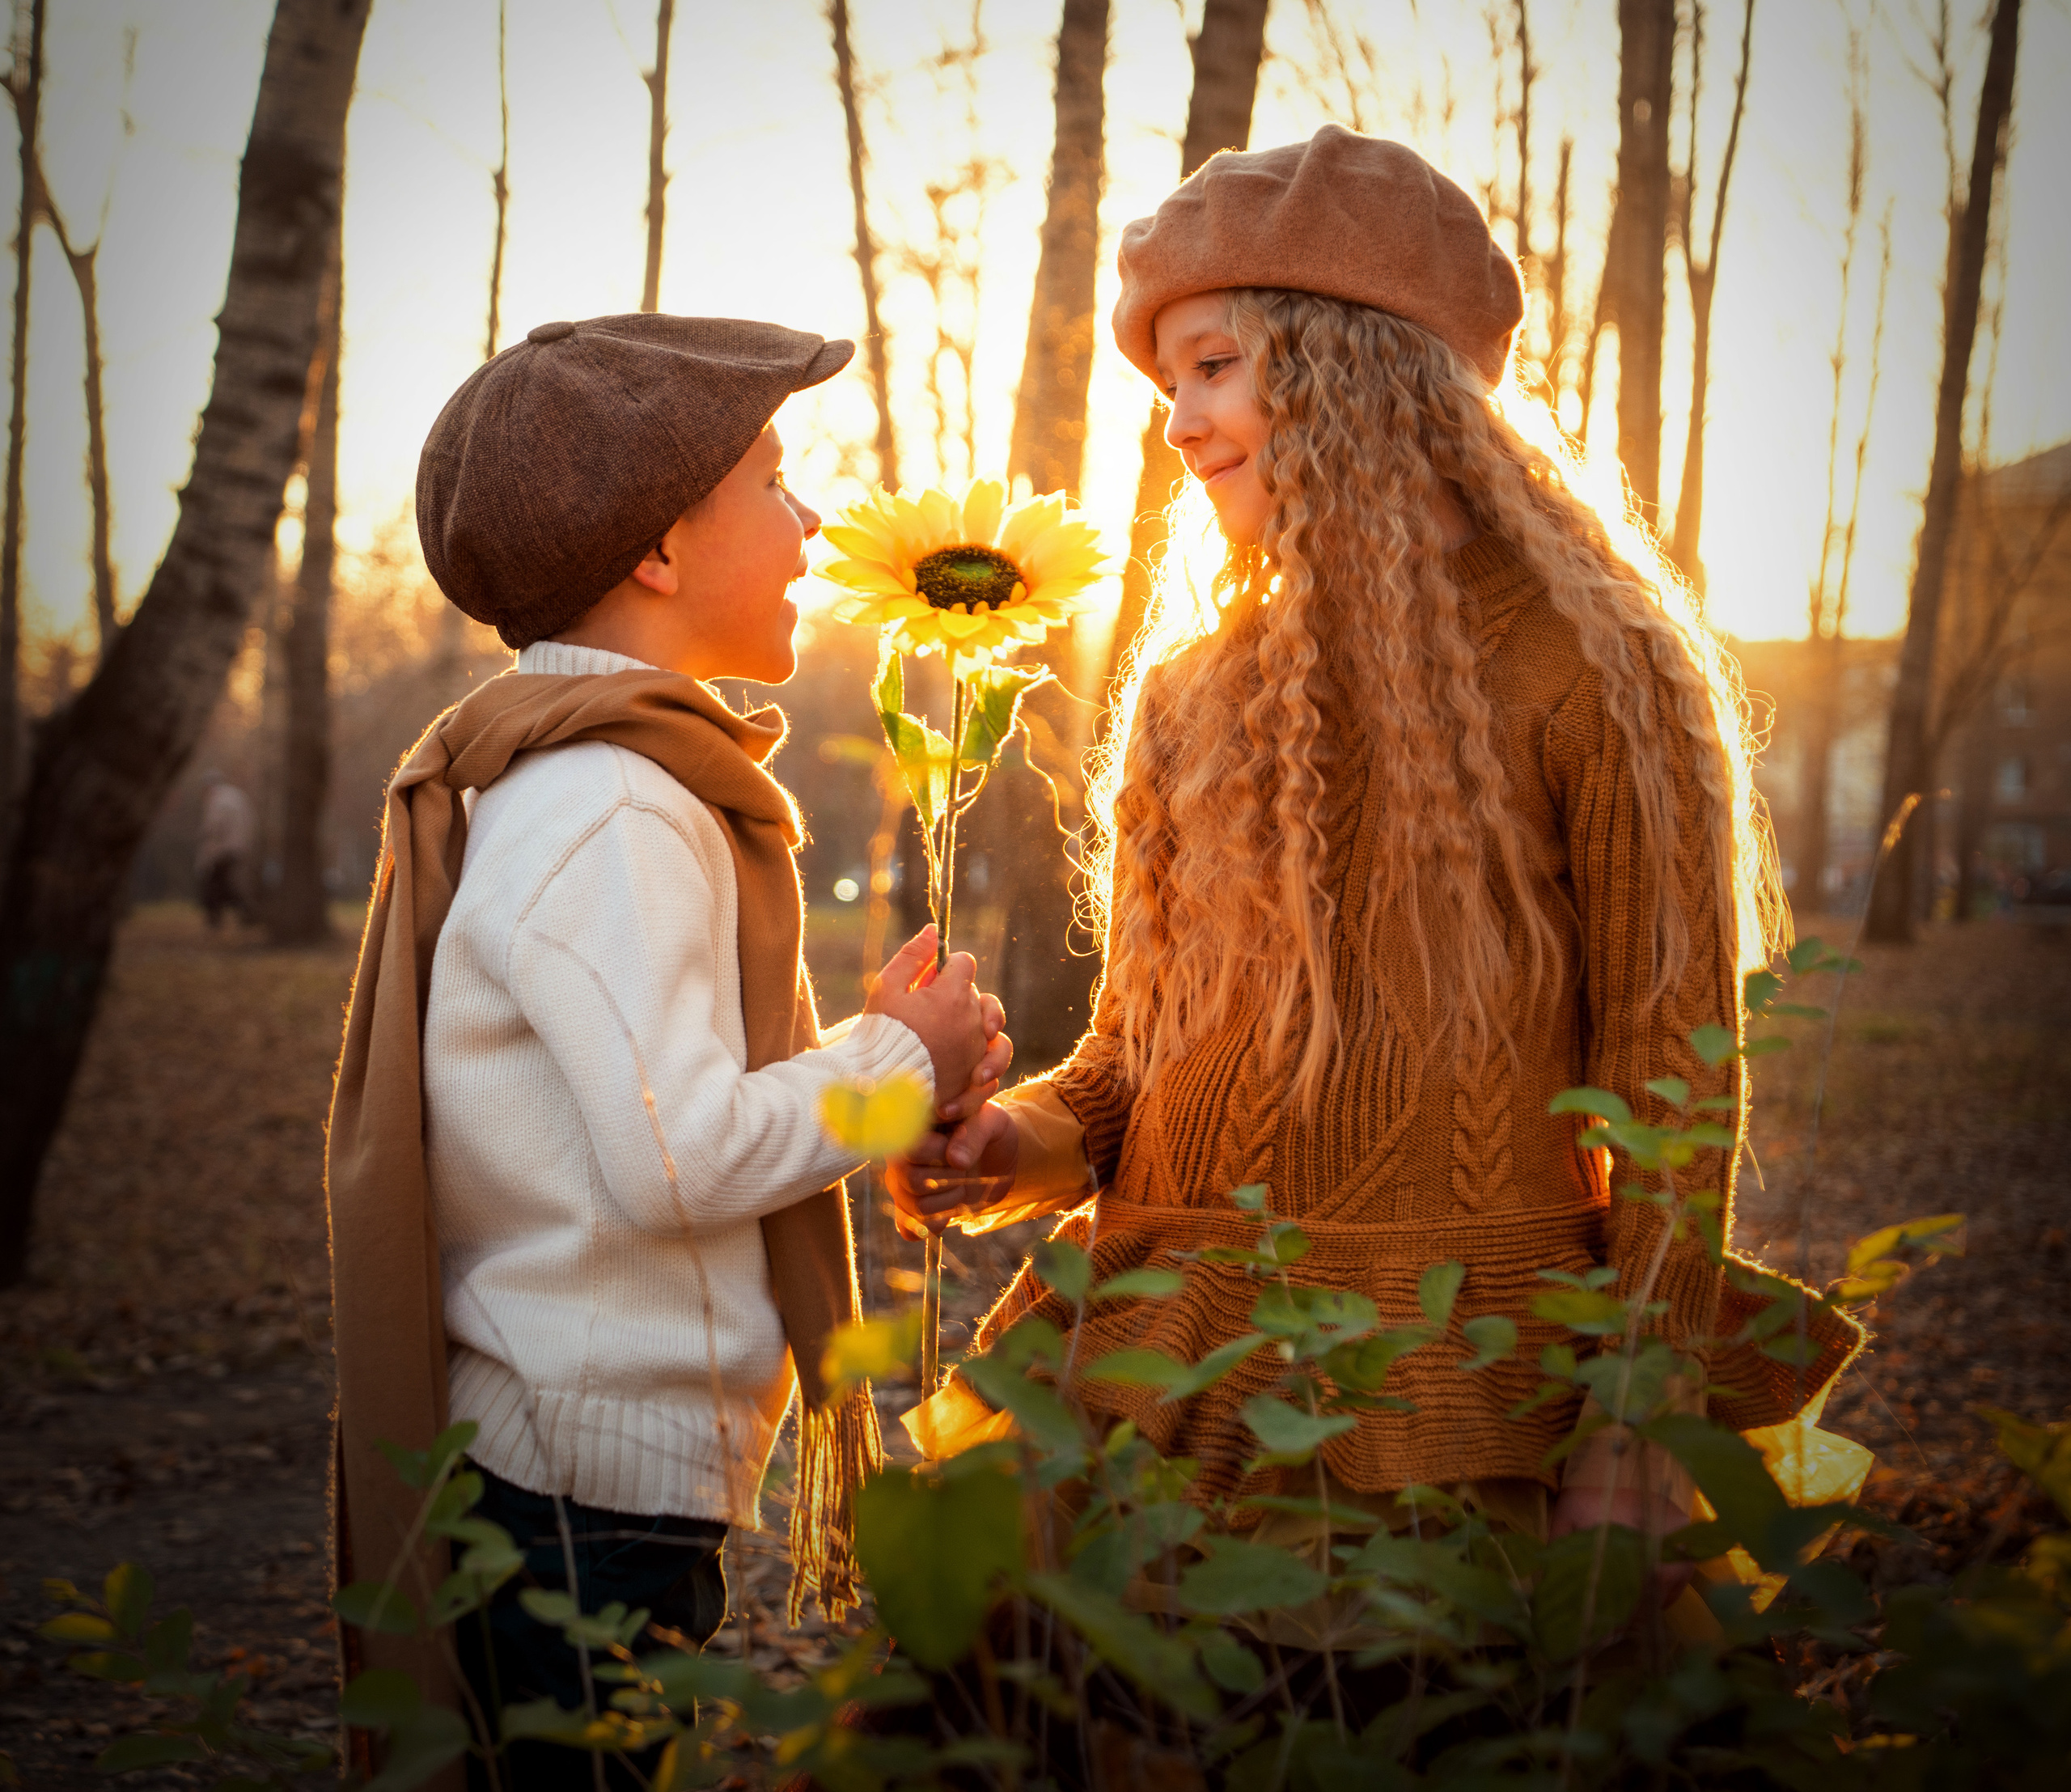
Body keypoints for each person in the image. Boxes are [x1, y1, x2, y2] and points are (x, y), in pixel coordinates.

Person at [893, 129, 1859, 1588]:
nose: (1178, 426)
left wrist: (1637, 1418)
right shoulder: (1191, 695)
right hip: (1150, 1384)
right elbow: (1130, 1069)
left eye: (1214, 366)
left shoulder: (1593, 666)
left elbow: (1675, 1071)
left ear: (1359, 365)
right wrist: (999, 1145)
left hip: (1448, 1393)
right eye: (1168, 386)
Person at [324, 314, 1009, 1790]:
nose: (813, 514)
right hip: (583, 1497)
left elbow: (647, 1093)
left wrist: (881, 1043)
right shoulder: (615, 810)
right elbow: (679, 1151)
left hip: (579, 1474)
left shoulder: (597, 784)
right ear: (657, 551)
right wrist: (901, 1056)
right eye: (774, 476)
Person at [194, 769, 255, 929]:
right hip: (239, 848)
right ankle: (245, 915)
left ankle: (218, 920)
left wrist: (206, 845)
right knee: (228, 884)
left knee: (216, 885)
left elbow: (213, 828)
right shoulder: (237, 796)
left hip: (222, 850)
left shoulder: (218, 800)